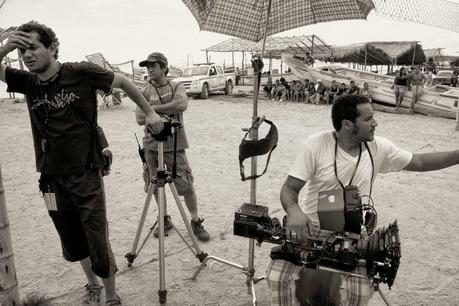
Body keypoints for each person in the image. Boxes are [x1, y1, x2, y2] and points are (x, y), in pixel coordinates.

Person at [0, 21, 164, 306]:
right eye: (22, 50)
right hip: (50, 176)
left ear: (52, 48)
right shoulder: (27, 83)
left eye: (34, 48)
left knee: (96, 236)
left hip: (85, 173)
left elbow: (123, 82)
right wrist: (6, 47)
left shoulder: (78, 72)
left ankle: (112, 296)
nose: (27, 55)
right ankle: (92, 285)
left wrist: (149, 112)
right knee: (71, 238)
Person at [266, 94, 459, 306]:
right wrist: (294, 211)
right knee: (277, 277)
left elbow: (420, 161)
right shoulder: (316, 145)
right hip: (313, 230)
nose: (375, 123)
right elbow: (289, 189)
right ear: (347, 124)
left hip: (354, 235)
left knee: (360, 293)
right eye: (368, 119)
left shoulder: (378, 148)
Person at [135, 52, 210, 242]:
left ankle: (195, 221)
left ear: (163, 67)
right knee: (155, 186)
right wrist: (152, 112)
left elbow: (181, 104)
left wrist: (152, 110)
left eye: (153, 66)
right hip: (151, 147)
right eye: (147, 66)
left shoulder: (175, 85)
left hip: (175, 145)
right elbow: (139, 118)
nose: (150, 69)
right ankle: (164, 218)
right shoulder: (144, 91)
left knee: (186, 186)